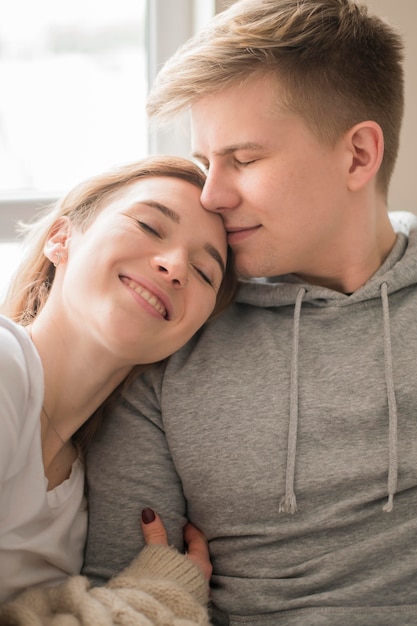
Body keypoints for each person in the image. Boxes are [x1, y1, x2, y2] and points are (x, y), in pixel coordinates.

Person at [82, 1, 417, 624]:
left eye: (244, 158)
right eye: (208, 162)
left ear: (358, 156)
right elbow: (122, 592)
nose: (212, 194)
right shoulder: (176, 324)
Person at [0, 155, 236, 619]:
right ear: (60, 238)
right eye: (149, 226)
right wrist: (157, 598)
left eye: (205, 273)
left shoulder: (87, 491)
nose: (174, 267)